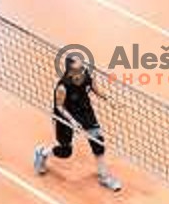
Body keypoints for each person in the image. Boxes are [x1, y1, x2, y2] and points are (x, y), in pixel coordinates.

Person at [33, 56, 121, 191]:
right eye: (78, 69)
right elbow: (59, 106)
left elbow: (95, 89)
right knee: (65, 152)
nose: (82, 71)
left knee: (98, 142)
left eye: (82, 67)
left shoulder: (86, 75)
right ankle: (42, 153)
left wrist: (109, 100)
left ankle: (104, 177)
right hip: (64, 117)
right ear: (70, 71)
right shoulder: (63, 86)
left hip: (85, 112)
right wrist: (72, 121)